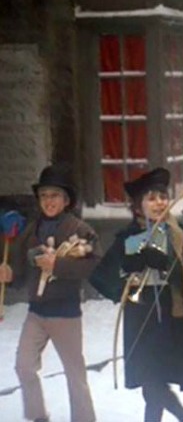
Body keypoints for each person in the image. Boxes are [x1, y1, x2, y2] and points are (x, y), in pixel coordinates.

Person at [88, 167, 183, 422]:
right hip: (141, 314)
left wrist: (169, 262)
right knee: (150, 379)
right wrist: (130, 267)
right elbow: (101, 277)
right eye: (151, 198)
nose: (159, 202)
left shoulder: (177, 231)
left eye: (163, 197)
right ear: (138, 206)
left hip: (172, 312)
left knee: (159, 377)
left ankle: (181, 416)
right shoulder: (128, 236)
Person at [0, 163, 100, 422]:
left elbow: (93, 265)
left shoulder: (79, 229)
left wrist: (58, 265)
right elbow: (21, 271)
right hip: (36, 312)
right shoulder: (30, 230)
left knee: (75, 374)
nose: (48, 201)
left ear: (66, 200)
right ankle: (38, 416)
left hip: (65, 314)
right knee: (24, 366)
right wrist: (10, 275)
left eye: (55, 195)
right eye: (43, 195)